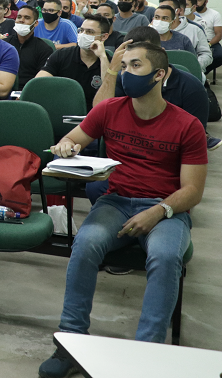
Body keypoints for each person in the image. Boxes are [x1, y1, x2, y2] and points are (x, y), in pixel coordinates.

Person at [37, 43, 206, 377]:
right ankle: (70, 342)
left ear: (159, 74)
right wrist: (67, 147)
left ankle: (144, 354)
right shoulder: (109, 109)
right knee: (84, 244)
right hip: (116, 201)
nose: (127, 73)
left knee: (166, 256)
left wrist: (157, 211)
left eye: (136, 66)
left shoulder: (187, 125)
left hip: (164, 209)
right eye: (124, 66)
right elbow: (73, 139)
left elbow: (193, 191)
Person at [35, 15, 110, 110]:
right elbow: (38, 83)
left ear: (104, 37)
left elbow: (109, 93)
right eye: (81, 30)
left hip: (96, 114)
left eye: (89, 32)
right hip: (63, 111)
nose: (83, 34)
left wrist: (102, 57)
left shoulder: (110, 61)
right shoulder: (62, 55)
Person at [160, 0, 211, 75]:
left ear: (177, 11)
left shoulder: (195, 30)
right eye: (160, 8)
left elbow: (206, 54)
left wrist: (194, 66)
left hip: (187, 73)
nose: (161, 11)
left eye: (167, 8)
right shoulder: (152, 31)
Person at [7, 5, 53, 89]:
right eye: (19, 17)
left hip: (29, 91)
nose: (21, 20)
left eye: (27, 18)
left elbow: (42, 81)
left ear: (35, 23)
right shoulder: (5, 44)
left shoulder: (44, 49)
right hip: (5, 90)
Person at [191, 0, 222, 75]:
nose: (196, 2)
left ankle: (201, 72)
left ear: (206, 1)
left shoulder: (214, 14)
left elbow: (219, 34)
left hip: (210, 42)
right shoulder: (189, 13)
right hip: (193, 41)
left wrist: (209, 44)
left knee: (220, 56)